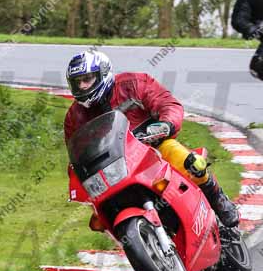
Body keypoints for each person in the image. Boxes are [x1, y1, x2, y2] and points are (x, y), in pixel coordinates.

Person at [63, 50, 239, 227]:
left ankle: (217, 198)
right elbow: (76, 153)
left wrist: (166, 124)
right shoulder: (74, 117)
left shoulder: (133, 83)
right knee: (100, 220)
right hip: (114, 169)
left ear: (103, 73)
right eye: (77, 82)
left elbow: (167, 103)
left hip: (153, 148)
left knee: (191, 162)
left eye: (87, 79)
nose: (83, 86)